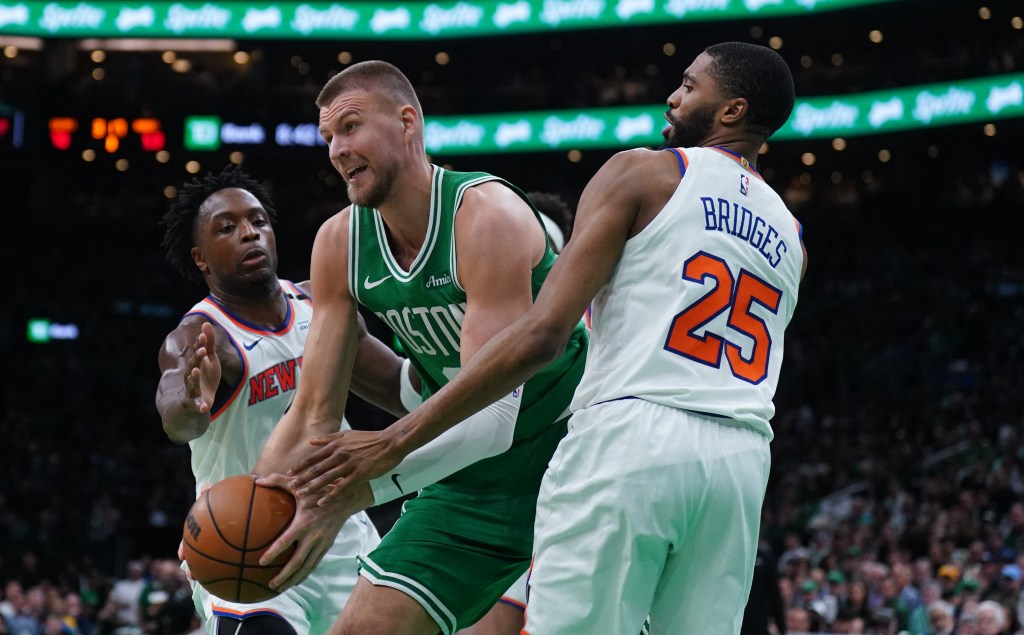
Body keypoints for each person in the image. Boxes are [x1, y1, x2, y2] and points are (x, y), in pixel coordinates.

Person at [288, 42, 805, 635]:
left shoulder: (643, 172)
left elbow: (541, 335)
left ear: (732, 111)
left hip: (631, 435)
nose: (673, 95)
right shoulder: (792, 234)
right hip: (740, 461)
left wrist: (395, 443)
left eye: (689, 86)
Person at [251, 60, 588, 635]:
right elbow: (313, 412)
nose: (336, 149)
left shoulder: (485, 215)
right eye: (328, 137)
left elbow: (493, 418)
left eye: (351, 127)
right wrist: (258, 506)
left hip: (573, 449)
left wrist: (367, 484)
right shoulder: (339, 241)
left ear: (408, 122)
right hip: (465, 469)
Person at [155, 165, 407, 634]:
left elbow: (397, 387)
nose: (248, 233)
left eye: (257, 221)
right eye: (226, 228)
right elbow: (177, 419)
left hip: (340, 535)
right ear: (201, 258)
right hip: (242, 540)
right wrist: (193, 405)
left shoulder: (321, 306)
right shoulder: (202, 337)